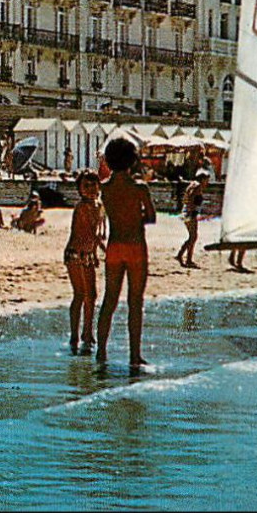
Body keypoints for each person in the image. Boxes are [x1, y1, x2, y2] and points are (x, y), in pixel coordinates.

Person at [95, 136, 156, 369]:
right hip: (135, 246)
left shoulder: (106, 189)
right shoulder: (140, 187)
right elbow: (150, 217)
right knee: (135, 302)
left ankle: (101, 352)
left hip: (114, 246)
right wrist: (137, 218)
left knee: (109, 300)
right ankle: (134, 356)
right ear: (132, 161)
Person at [65, 170, 106, 354]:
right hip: (76, 253)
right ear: (80, 190)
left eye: (93, 185)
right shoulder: (82, 207)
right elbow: (90, 233)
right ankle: (76, 334)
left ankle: (86, 332)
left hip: (87, 254)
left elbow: (94, 234)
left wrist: (96, 254)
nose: (90, 189)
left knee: (91, 295)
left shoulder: (98, 206)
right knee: (81, 294)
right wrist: (106, 250)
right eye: (86, 186)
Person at [176, 167, 208, 268]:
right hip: (190, 212)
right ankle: (183, 256)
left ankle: (184, 256)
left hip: (187, 211)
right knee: (193, 236)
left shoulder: (192, 184)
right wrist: (192, 211)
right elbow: (191, 197)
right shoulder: (197, 186)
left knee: (192, 236)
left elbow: (186, 198)